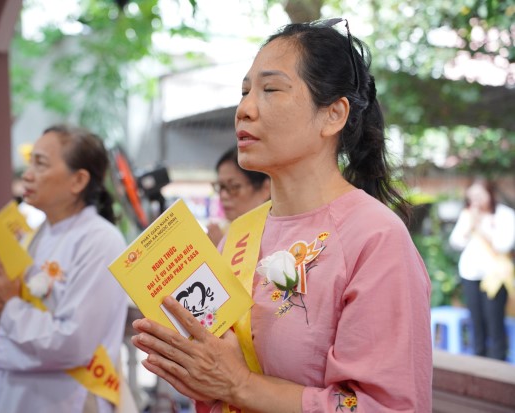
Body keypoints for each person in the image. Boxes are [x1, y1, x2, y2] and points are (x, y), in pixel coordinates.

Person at [131, 18, 432, 412]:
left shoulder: (375, 238)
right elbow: (217, 371)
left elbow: (387, 407)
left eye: (270, 89)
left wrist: (240, 385)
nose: (244, 109)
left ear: (333, 115)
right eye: (244, 92)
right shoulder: (239, 233)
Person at [0, 125, 129, 413]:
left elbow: (74, 342)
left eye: (40, 164)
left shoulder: (101, 240)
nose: (27, 175)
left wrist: (9, 305)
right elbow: (8, 315)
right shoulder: (32, 234)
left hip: (65, 397)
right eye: (30, 163)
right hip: (14, 389)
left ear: (78, 180)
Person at [449, 178, 515, 361]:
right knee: (476, 321)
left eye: (479, 196)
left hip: (495, 277)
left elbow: (504, 245)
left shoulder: (505, 215)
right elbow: (456, 242)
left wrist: (480, 226)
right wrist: (470, 223)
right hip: (470, 274)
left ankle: (498, 364)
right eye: (472, 197)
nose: (476, 201)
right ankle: (478, 362)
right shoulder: (467, 214)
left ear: (490, 194)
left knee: (494, 321)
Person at [207, 146, 270, 246]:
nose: (223, 195)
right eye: (221, 186)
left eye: (233, 187)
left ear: (266, 188)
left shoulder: (272, 234)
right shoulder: (223, 231)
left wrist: (222, 250)